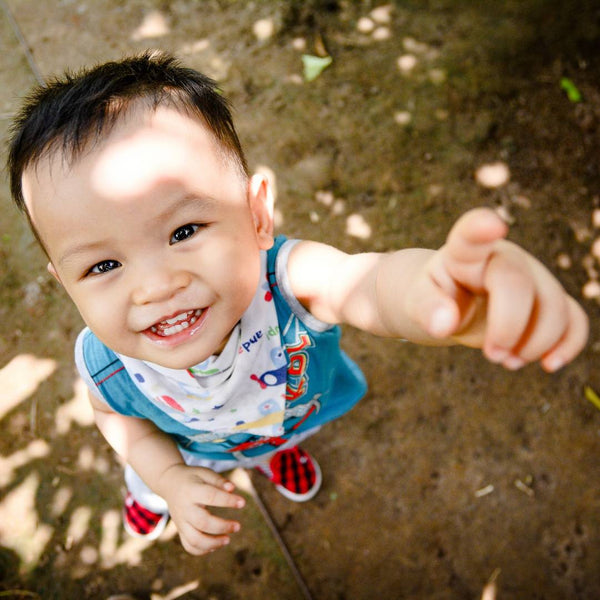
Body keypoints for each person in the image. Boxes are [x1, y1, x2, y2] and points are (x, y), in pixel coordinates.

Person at [7, 52, 588, 556]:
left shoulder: (287, 282)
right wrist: (168, 477)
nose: (155, 287)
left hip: (280, 418)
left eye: (183, 231)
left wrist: (434, 292)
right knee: (155, 479)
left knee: (279, 437)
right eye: (103, 266)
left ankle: (269, 456)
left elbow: (367, 284)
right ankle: (153, 497)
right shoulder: (105, 361)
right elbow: (120, 419)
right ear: (66, 283)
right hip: (184, 451)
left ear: (256, 214)